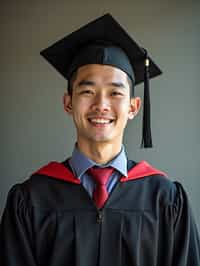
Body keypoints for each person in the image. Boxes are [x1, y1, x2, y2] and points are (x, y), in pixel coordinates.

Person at [0, 13, 199, 266]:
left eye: (115, 92)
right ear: (68, 102)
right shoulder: (30, 200)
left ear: (133, 107)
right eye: (87, 91)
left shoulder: (166, 200)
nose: (101, 104)